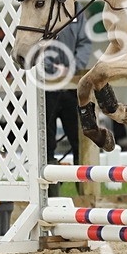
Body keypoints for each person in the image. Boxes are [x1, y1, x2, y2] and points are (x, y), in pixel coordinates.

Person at [43, 11, 91, 170]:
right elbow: (34, 41)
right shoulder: (43, 7)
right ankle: (50, 191)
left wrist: (72, 67)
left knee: (79, 139)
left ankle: (83, 188)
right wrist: (51, 67)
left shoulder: (78, 10)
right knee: (46, 143)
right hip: (46, 88)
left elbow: (85, 42)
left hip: (71, 87)